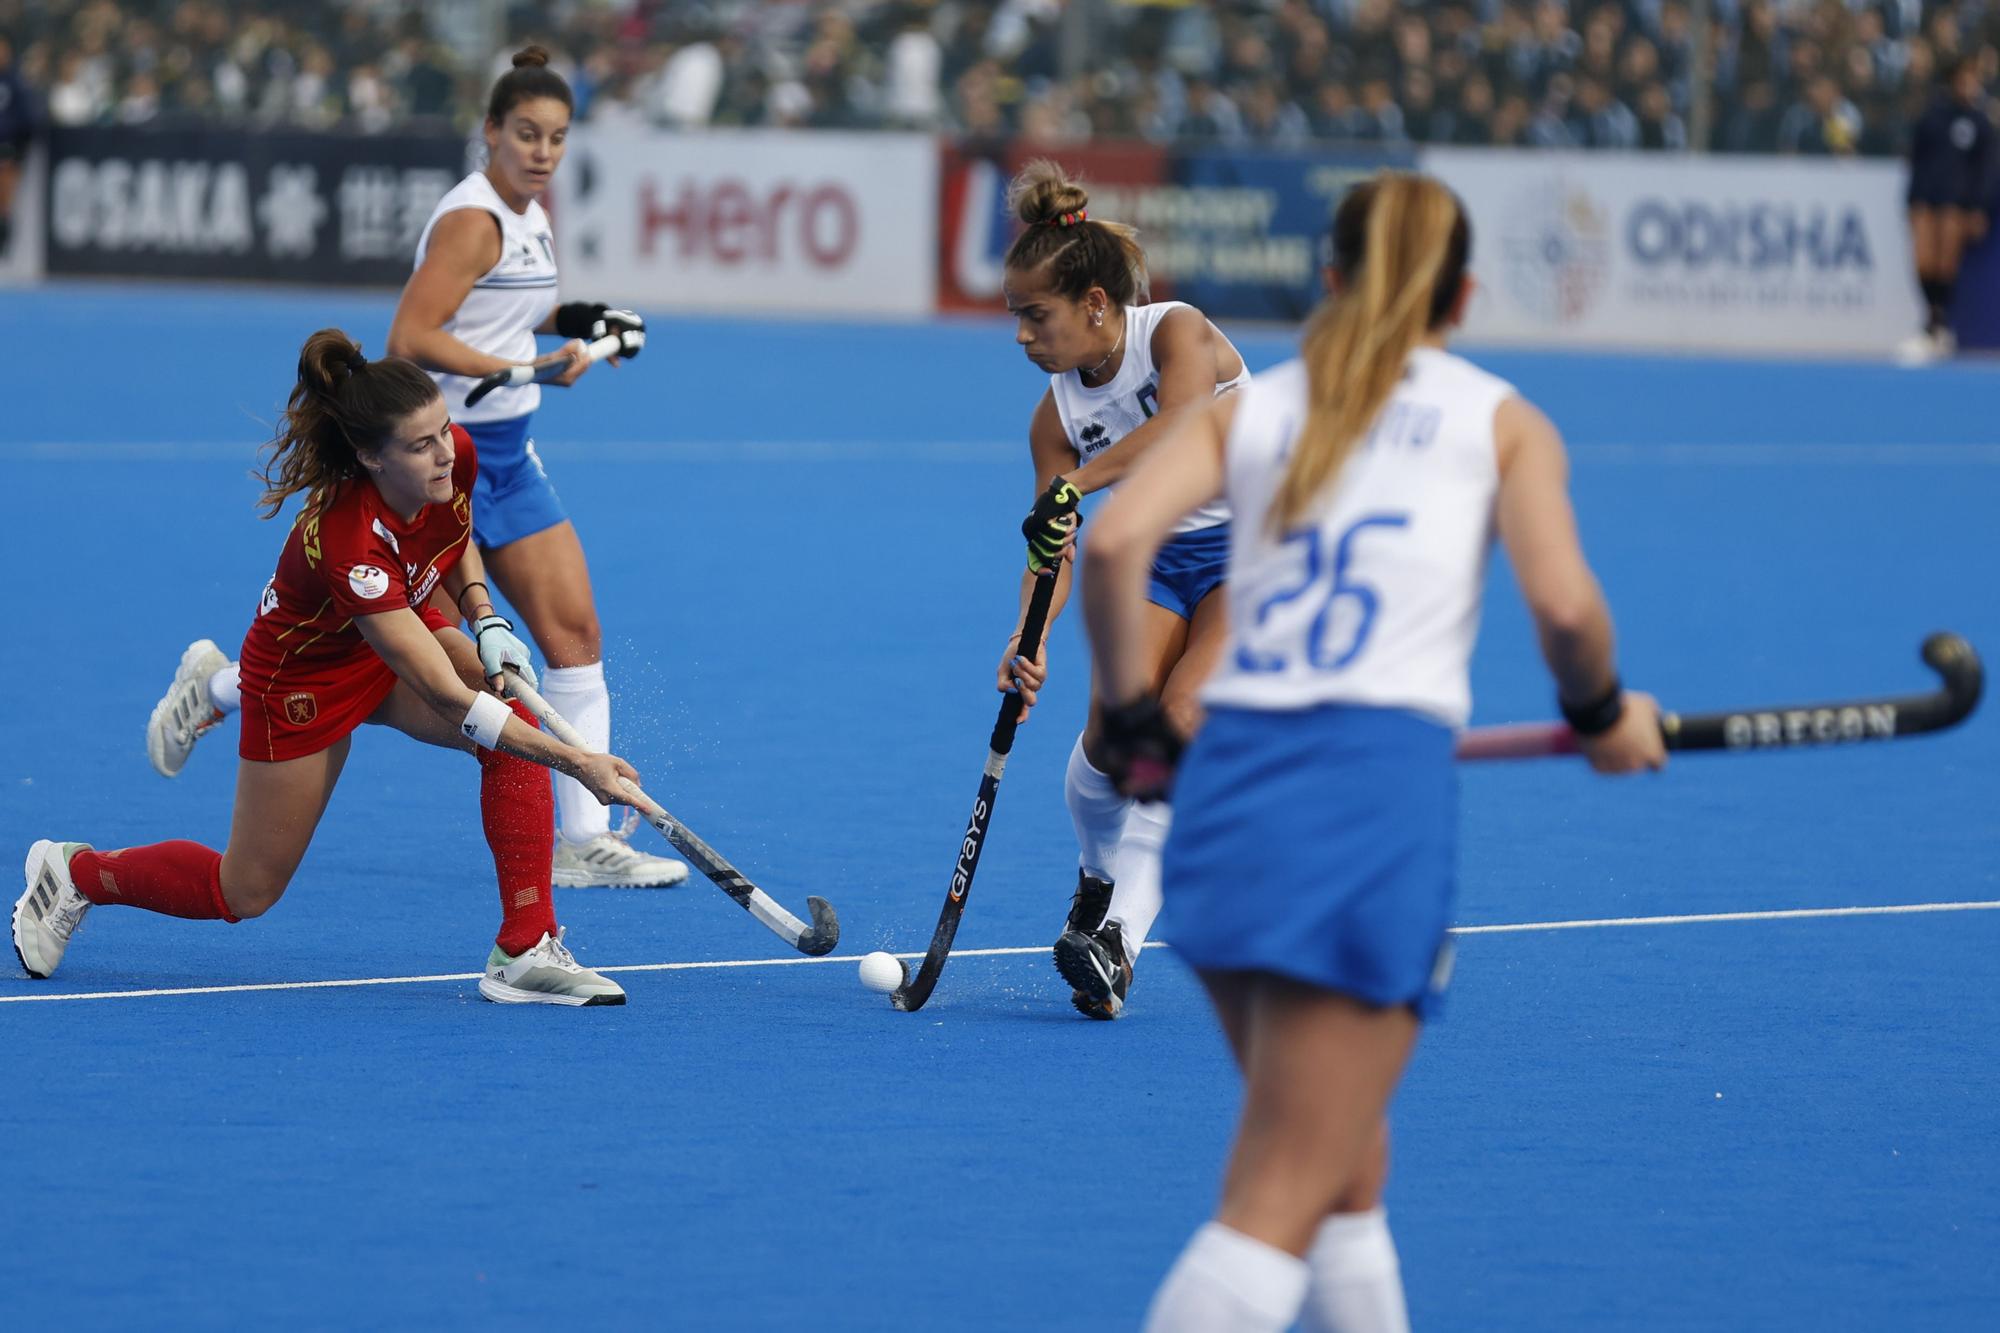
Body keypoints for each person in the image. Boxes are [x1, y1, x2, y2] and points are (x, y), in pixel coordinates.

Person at [1077, 174, 1665, 1331]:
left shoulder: (1254, 409)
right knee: (1277, 1196)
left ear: (1330, 279)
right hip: (1362, 813)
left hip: (1226, 801)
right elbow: (1562, 608)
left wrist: (1136, 721)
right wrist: (1601, 713)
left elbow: (1116, 549)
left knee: (1345, 1171)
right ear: (1465, 295)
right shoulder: (1499, 418)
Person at [144, 46, 688, 891]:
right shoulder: (473, 218)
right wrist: (533, 368)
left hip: (508, 457)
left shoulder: (530, 212)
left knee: (575, 635)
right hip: (436, 470)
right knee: (436, 670)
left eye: (557, 138)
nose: (543, 152)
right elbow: (412, 336)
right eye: (527, 135)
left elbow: (517, 301)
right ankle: (223, 686)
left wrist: (585, 318)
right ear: (491, 134)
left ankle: (582, 842)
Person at [17, 330, 636, 1006]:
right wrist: (578, 762)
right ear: (370, 455)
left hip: (393, 625)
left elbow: (450, 533)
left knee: (511, 729)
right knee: (244, 889)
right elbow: (445, 693)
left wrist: (484, 616)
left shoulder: (452, 453)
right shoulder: (349, 539)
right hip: (303, 678)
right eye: (419, 444)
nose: (443, 453)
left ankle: (525, 948)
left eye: (443, 431)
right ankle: (75, 872)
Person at [999, 159, 1250, 1020]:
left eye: (1037, 317)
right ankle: (1097, 879)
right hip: (1155, 563)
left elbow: (1185, 427)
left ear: (1096, 305)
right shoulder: (1053, 416)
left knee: (1175, 727)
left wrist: (1084, 483)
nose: (1024, 337)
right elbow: (1053, 545)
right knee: (1112, 740)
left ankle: (1117, 945)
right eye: (1016, 318)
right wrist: (1026, 639)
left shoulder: (1177, 331)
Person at [1901, 58, 1994, 363]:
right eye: (1966, 78)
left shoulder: (1979, 123)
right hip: (1927, 197)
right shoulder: (1932, 117)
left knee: (1946, 259)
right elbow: (1916, 160)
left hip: (1958, 202)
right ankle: (1932, 322)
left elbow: (1985, 169)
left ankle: (1940, 326)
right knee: (1923, 258)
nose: (1971, 85)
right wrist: (1913, 200)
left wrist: (1979, 207)